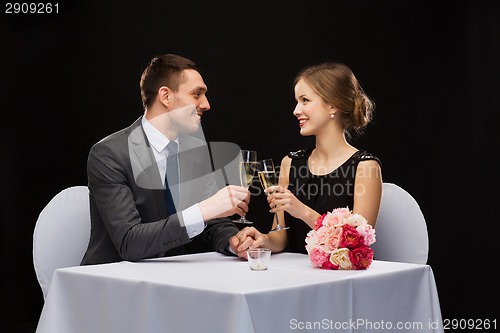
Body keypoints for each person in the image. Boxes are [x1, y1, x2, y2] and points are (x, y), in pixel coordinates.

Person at [81, 54, 251, 265]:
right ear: (166, 96)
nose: (206, 104)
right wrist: (203, 209)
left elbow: (214, 222)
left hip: (173, 280)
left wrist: (233, 241)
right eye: (197, 94)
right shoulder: (109, 155)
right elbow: (129, 243)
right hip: (112, 283)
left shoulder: (196, 151)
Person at [234, 62, 382, 254]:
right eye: (297, 101)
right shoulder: (291, 163)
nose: (296, 110)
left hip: (339, 278)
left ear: (333, 105)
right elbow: (279, 239)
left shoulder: (365, 167)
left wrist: (301, 211)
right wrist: (262, 240)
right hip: (296, 275)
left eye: (305, 100)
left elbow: (356, 244)